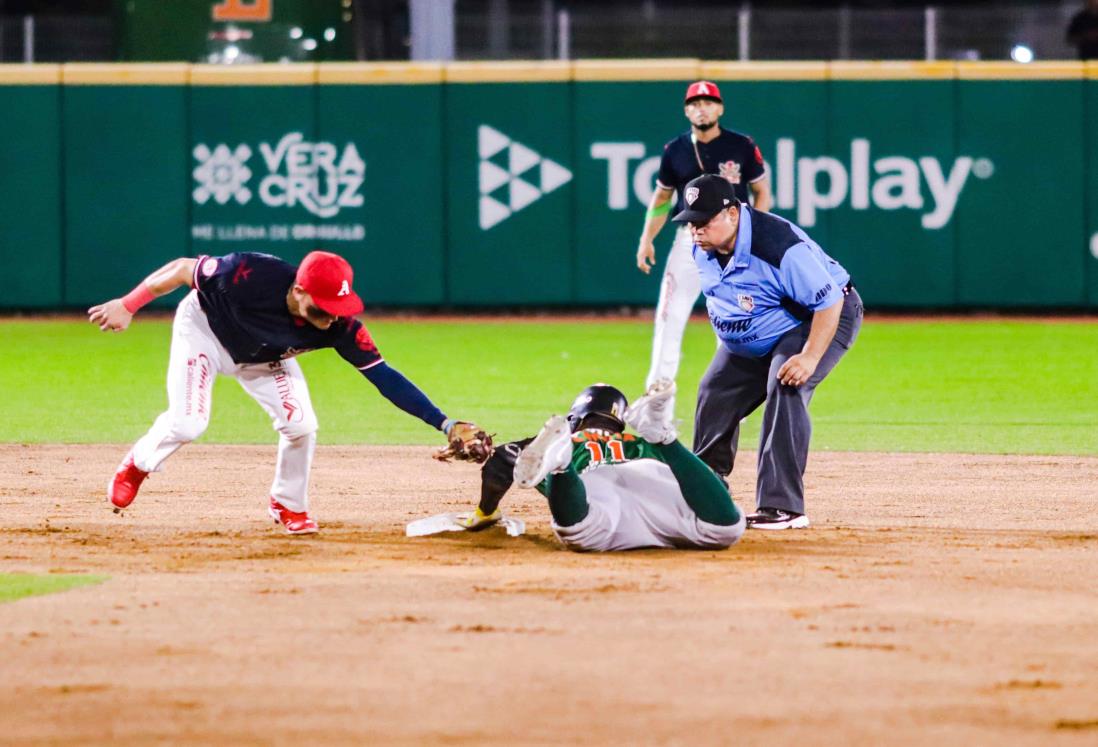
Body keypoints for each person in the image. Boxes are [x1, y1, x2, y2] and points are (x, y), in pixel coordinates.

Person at [88, 250, 486, 535]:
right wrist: (128, 304)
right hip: (205, 332)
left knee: (301, 425)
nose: (332, 315)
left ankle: (288, 505)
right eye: (325, 305)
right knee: (188, 422)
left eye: (339, 306)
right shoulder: (245, 274)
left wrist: (444, 422)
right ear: (298, 290)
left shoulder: (341, 326)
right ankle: (138, 464)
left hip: (264, 356)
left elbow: (384, 376)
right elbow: (179, 270)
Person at [674, 174, 863, 531]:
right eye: (690, 222)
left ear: (732, 213)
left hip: (816, 320)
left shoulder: (778, 247)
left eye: (703, 221)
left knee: (787, 383)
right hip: (759, 329)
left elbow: (829, 301)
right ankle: (705, 494)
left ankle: (784, 507)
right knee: (714, 392)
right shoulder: (704, 246)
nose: (695, 230)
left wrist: (808, 357)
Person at [456, 380, 745, 552]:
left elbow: (501, 461)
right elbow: (716, 486)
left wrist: (487, 511)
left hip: (594, 488)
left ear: (574, 420)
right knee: (725, 529)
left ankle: (561, 465)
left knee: (581, 533)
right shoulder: (637, 440)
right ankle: (666, 437)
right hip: (653, 476)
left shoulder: (568, 439)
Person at [636, 80, 773, 390]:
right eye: (695, 104)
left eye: (708, 102)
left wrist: (754, 231)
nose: (702, 108)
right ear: (686, 111)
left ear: (720, 108)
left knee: (733, 321)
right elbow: (661, 199)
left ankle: (728, 392)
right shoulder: (676, 150)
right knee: (669, 317)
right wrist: (647, 238)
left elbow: (761, 191)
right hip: (690, 240)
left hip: (734, 243)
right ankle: (657, 397)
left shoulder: (741, 145)